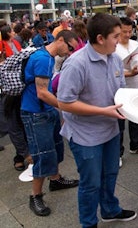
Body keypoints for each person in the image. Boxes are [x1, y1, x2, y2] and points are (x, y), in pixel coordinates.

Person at [57, 14, 137, 227]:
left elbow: (120, 92)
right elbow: (64, 103)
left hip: (110, 129)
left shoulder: (114, 58)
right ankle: (89, 223)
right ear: (100, 38)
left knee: (110, 174)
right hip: (85, 135)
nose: (120, 40)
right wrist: (102, 111)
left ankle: (110, 210)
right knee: (90, 183)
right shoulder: (76, 64)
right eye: (116, 36)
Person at [20, 30, 80, 217]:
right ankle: (35, 196)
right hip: (35, 114)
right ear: (60, 40)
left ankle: (55, 179)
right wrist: (65, 107)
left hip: (46, 111)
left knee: (55, 148)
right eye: (70, 47)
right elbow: (42, 93)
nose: (70, 52)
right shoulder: (43, 59)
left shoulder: (46, 56)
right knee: (43, 155)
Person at [116, 17, 138, 168]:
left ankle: (136, 145)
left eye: (129, 31)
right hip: (120, 89)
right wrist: (129, 73)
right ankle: (117, 153)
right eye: (124, 31)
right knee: (119, 123)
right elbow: (111, 72)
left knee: (137, 117)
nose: (127, 34)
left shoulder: (135, 44)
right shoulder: (113, 47)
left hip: (135, 86)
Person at [0, 24, 30, 171]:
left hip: (19, 85)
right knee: (14, 125)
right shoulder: (2, 45)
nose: (13, 32)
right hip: (9, 90)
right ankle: (22, 154)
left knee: (22, 122)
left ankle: (22, 154)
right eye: (11, 31)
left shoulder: (15, 43)